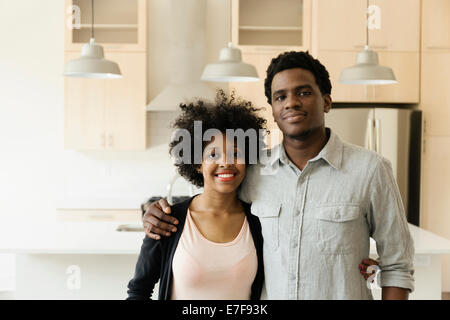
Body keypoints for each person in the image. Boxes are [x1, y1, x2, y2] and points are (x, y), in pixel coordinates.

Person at [143, 51, 414, 300]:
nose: (291, 103)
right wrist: (157, 213)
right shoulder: (253, 170)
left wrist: (372, 267)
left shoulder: (370, 170)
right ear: (273, 110)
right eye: (280, 96)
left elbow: (397, 265)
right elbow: (209, 200)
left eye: (304, 92)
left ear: (327, 102)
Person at [127, 92, 266, 299]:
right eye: (213, 154)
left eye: (236, 153)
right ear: (197, 163)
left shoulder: (259, 221)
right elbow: (139, 291)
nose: (226, 162)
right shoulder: (168, 221)